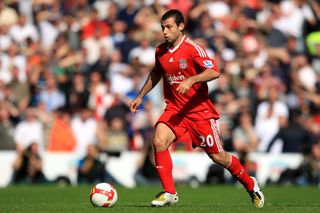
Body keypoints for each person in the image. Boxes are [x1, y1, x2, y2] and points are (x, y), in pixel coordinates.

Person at [129, 9, 264, 208]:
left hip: (199, 112)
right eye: (162, 28)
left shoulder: (193, 49)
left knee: (218, 156)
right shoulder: (160, 51)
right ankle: (169, 192)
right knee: (158, 140)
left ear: (181, 26)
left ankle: (251, 184)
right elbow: (156, 73)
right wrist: (140, 96)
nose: (165, 32)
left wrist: (191, 80)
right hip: (175, 109)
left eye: (169, 27)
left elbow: (214, 71)